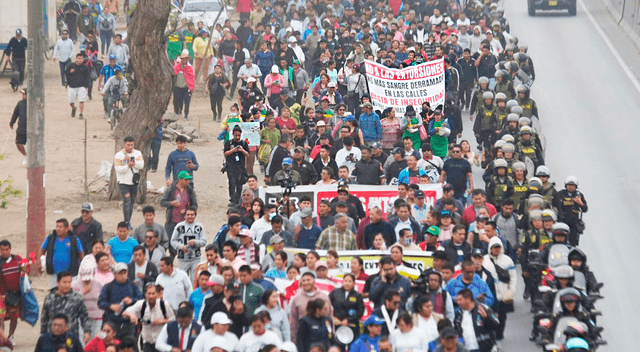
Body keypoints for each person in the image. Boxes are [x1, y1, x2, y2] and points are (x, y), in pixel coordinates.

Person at [122, 283, 176, 352]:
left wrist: (163, 321)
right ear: (145, 294)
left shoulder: (164, 305)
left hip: (162, 342)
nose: (151, 296)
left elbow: (174, 320)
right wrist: (132, 315)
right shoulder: (141, 304)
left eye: (153, 293)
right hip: (147, 342)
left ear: (157, 294)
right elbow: (125, 312)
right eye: (149, 293)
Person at [41, 272, 91, 344]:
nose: (67, 285)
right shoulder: (50, 298)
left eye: (69, 282)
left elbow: (84, 316)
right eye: (64, 282)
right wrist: (43, 334)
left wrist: (87, 331)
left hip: (70, 335)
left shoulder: (77, 298)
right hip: (52, 335)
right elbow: (44, 318)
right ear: (57, 282)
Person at [482, 238, 516, 343]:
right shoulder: (485, 260)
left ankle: (499, 333)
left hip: (503, 294)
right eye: (494, 248)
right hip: (490, 294)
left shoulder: (507, 260)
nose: (496, 250)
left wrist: (511, 291)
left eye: (498, 247)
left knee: (502, 316)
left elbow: (513, 277)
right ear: (490, 248)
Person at [37, 218, 85, 288]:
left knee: (70, 292)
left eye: (60, 227)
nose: (58, 229)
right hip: (54, 273)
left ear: (67, 228)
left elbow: (81, 253)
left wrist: (83, 266)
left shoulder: (74, 239)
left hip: (70, 273)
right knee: (54, 292)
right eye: (57, 226)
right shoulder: (50, 238)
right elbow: (42, 250)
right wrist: (39, 263)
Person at [288, 272, 332, 342]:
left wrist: (331, 337)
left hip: (322, 338)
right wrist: (294, 338)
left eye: (308, 280)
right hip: (304, 338)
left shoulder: (324, 297)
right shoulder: (296, 298)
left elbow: (330, 317)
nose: (306, 283)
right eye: (303, 281)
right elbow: (293, 320)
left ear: (314, 281)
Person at [161, 171, 198, 245]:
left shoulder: (190, 190)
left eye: (188, 179)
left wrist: (187, 210)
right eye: (186, 179)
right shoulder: (171, 189)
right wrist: (171, 203)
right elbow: (162, 202)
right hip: (171, 222)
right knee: (170, 243)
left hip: (185, 223)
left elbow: (195, 205)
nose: (188, 181)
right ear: (180, 179)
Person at [171, 206, 207, 280]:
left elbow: (204, 241)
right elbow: (173, 241)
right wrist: (181, 247)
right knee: (182, 279)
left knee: (195, 279)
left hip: (195, 258)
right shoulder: (179, 226)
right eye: (188, 214)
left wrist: (196, 242)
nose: (190, 216)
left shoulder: (199, 227)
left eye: (192, 214)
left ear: (195, 215)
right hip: (182, 258)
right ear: (184, 216)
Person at [114, 136, 144, 224]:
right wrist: (128, 166)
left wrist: (132, 162)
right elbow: (118, 169)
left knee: (131, 202)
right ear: (124, 144)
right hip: (123, 181)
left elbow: (141, 165)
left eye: (132, 145)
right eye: (128, 145)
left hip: (134, 182)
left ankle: (128, 220)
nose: (130, 147)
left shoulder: (137, 153)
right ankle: (126, 221)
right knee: (127, 201)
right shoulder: (119, 155)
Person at [329, 273, 364, 340]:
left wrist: (348, 320)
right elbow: (327, 306)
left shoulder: (358, 295)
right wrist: (333, 318)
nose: (347, 283)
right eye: (345, 281)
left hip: (352, 325)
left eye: (349, 281)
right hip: (337, 324)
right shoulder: (334, 292)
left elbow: (360, 311)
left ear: (354, 283)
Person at [555, 176, 588, 246]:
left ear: (576, 186)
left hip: (574, 223)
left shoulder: (579, 195)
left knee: (572, 244)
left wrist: (580, 203)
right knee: (560, 241)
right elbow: (554, 205)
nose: (571, 187)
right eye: (569, 185)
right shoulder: (560, 194)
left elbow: (585, 209)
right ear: (566, 185)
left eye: (573, 185)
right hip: (562, 221)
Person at [0, 240, 22, 341]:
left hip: (14, 295)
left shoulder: (17, 260)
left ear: (10, 249)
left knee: (14, 317)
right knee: (1, 317)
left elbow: (26, 272)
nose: (5, 252)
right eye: (2, 250)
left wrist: (26, 269)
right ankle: (2, 339)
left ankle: (11, 336)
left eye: (7, 249)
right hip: (1, 296)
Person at [224, 126, 250, 206]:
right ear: (233, 134)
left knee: (239, 184)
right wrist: (233, 150)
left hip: (240, 167)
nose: (237, 137)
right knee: (232, 183)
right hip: (231, 166)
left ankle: (238, 199)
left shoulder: (243, 143)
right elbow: (225, 153)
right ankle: (232, 199)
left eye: (239, 135)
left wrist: (242, 150)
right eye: (236, 135)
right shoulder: (229, 143)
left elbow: (248, 155)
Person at [65, 53, 91, 119]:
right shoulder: (71, 66)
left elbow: (88, 77)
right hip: (72, 86)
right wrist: (70, 72)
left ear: (83, 59)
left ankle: (81, 114)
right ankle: (73, 108)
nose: (80, 60)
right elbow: (66, 74)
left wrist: (87, 86)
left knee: (81, 100)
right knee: (71, 101)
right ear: (76, 59)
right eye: (78, 58)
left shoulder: (85, 67)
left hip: (81, 86)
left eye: (81, 58)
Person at [173, 51, 195, 119]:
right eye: (183, 59)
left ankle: (186, 114)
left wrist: (192, 87)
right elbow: (174, 75)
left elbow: (192, 78)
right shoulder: (176, 67)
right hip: (177, 87)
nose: (184, 60)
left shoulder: (189, 68)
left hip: (186, 87)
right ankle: (177, 112)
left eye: (185, 59)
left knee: (187, 102)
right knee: (177, 101)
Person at [9, 88, 27, 165]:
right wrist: (12, 123)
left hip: (31, 128)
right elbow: (15, 113)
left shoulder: (34, 104)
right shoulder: (20, 103)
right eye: (22, 94)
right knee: (18, 143)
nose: (23, 95)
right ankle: (25, 156)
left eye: (24, 94)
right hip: (21, 127)